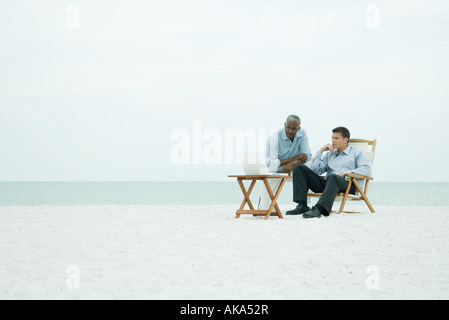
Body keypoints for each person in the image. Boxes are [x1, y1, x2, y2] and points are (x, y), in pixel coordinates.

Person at [286, 126, 372, 218]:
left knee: (333, 176)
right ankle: (302, 205)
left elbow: (367, 170)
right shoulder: (330, 155)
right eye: (332, 138)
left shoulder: (356, 153)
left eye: (336, 138)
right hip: (328, 185)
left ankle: (319, 208)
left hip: (348, 184)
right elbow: (315, 170)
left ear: (345, 140)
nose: (333, 141)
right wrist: (320, 151)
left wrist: (345, 173)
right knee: (299, 168)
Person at [259, 115, 312, 210]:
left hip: (293, 169)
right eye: (288, 127)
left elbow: (307, 155)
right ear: (284, 125)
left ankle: (303, 204)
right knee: (264, 209)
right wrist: (294, 159)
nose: (290, 131)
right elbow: (271, 163)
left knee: (308, 166)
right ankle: (263, 204)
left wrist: (293, 163)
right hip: (274, 170)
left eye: (294, 129)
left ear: (298, 128)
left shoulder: (302, 134)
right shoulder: (274, 137)